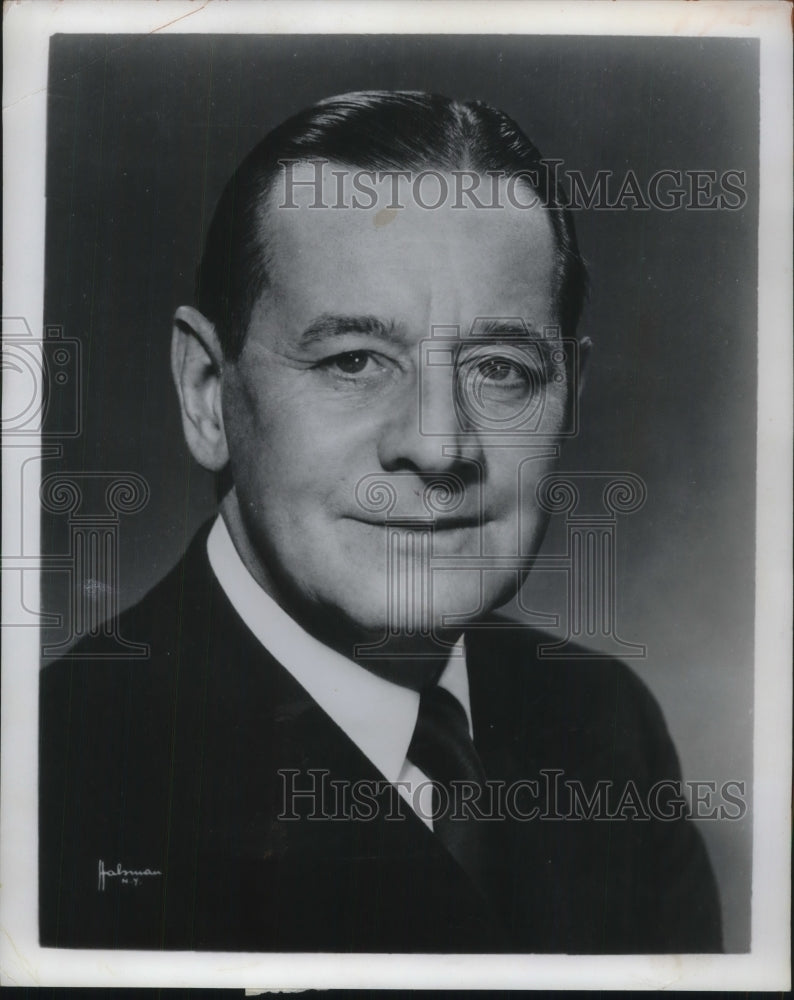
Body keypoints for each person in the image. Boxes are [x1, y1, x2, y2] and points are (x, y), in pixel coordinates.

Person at [39, 90, 722, 953]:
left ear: (570, 397)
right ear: (208, 395)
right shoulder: (51, 776)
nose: (440, 446)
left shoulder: (607, 727)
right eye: (353, 361)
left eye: (501, 368)